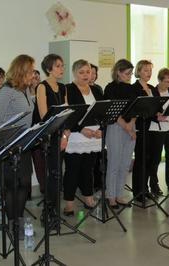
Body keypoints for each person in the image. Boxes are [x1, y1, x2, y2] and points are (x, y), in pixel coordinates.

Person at [0, 54, 34, 238]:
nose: (33, 74)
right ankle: (12, 223)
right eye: (30, 71)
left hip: (24, 144)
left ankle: (19, 220)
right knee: (10, 186)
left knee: (24, 184)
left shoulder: (26, 90)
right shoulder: (7, 91)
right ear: (21, 71)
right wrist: (11, 133)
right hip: (8, 146)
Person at [63, 59, 103, 215]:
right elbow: (68, 115)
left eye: (88, 72)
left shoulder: (97, 91)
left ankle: (88, 198)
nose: (86, 75)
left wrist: (101, 129)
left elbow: (102, 112)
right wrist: (81, 129)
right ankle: (69, 203)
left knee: (89, 169)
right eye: (82, 72)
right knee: (72, 170)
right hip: (76, 136)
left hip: (94, 136)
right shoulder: (68, 89)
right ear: (74, 73)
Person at [34, 53, 68, 213]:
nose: (62, 69)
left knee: (58, 174)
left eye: (62, 66)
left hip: (60, 135)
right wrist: (59, 136)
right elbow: (44, 117)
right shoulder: (42, 87)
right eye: (58, 66)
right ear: (49, 69)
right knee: (52, 174)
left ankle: (55, 210)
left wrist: (65, 136)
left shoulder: (63, 87)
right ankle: (49, 212)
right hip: (48, 137)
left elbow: (67, 114)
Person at [104, 59, 138, 208]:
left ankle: (119, 194)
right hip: (116, 127)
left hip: (131, 127)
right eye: (127, 73)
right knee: (114, 163)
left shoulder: (132, 88)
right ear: (118, 72)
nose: (130, 76)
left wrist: (131, 126)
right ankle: (110, 195)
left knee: (125, 163)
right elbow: (112, 111)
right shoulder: (111, 88)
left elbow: (137, 108)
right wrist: (126, 126)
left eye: (131, 73)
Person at [131, 60, 158, 200]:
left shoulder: (152, 88)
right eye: (146, 70)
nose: (149, 73)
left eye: (150, 70)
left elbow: (155, 107)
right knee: (141, 159)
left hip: (152, 128)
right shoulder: (134, 88)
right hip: (141, 128)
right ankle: (138, 191)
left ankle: (145, 188)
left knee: (150, 160)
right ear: (139, 71)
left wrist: (158, 115)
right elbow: (135, 109)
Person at [147, 68, 169, 194]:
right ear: (159, 80)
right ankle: (154, 185)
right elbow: (150, 111)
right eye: (165, 82)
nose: (168, 84)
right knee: (156, 158)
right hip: (157, 129)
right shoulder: (152, 91)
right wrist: (156, 115)